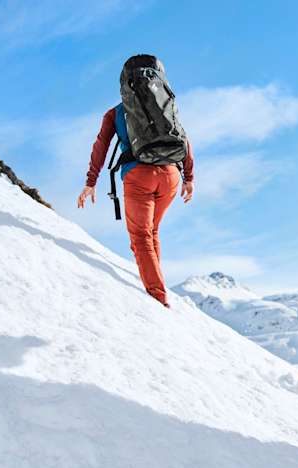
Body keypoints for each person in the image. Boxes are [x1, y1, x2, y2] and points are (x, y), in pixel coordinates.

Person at [78, 55, 194, 308]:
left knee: (140, 237)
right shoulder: (167, 104)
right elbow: (184, 139)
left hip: (138, 175)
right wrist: (189, 178)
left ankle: (157, 299)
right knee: (152, 231)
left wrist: (91, 182)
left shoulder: (116, 113)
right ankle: (157, 282)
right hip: (171, 175)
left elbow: (100, 147)